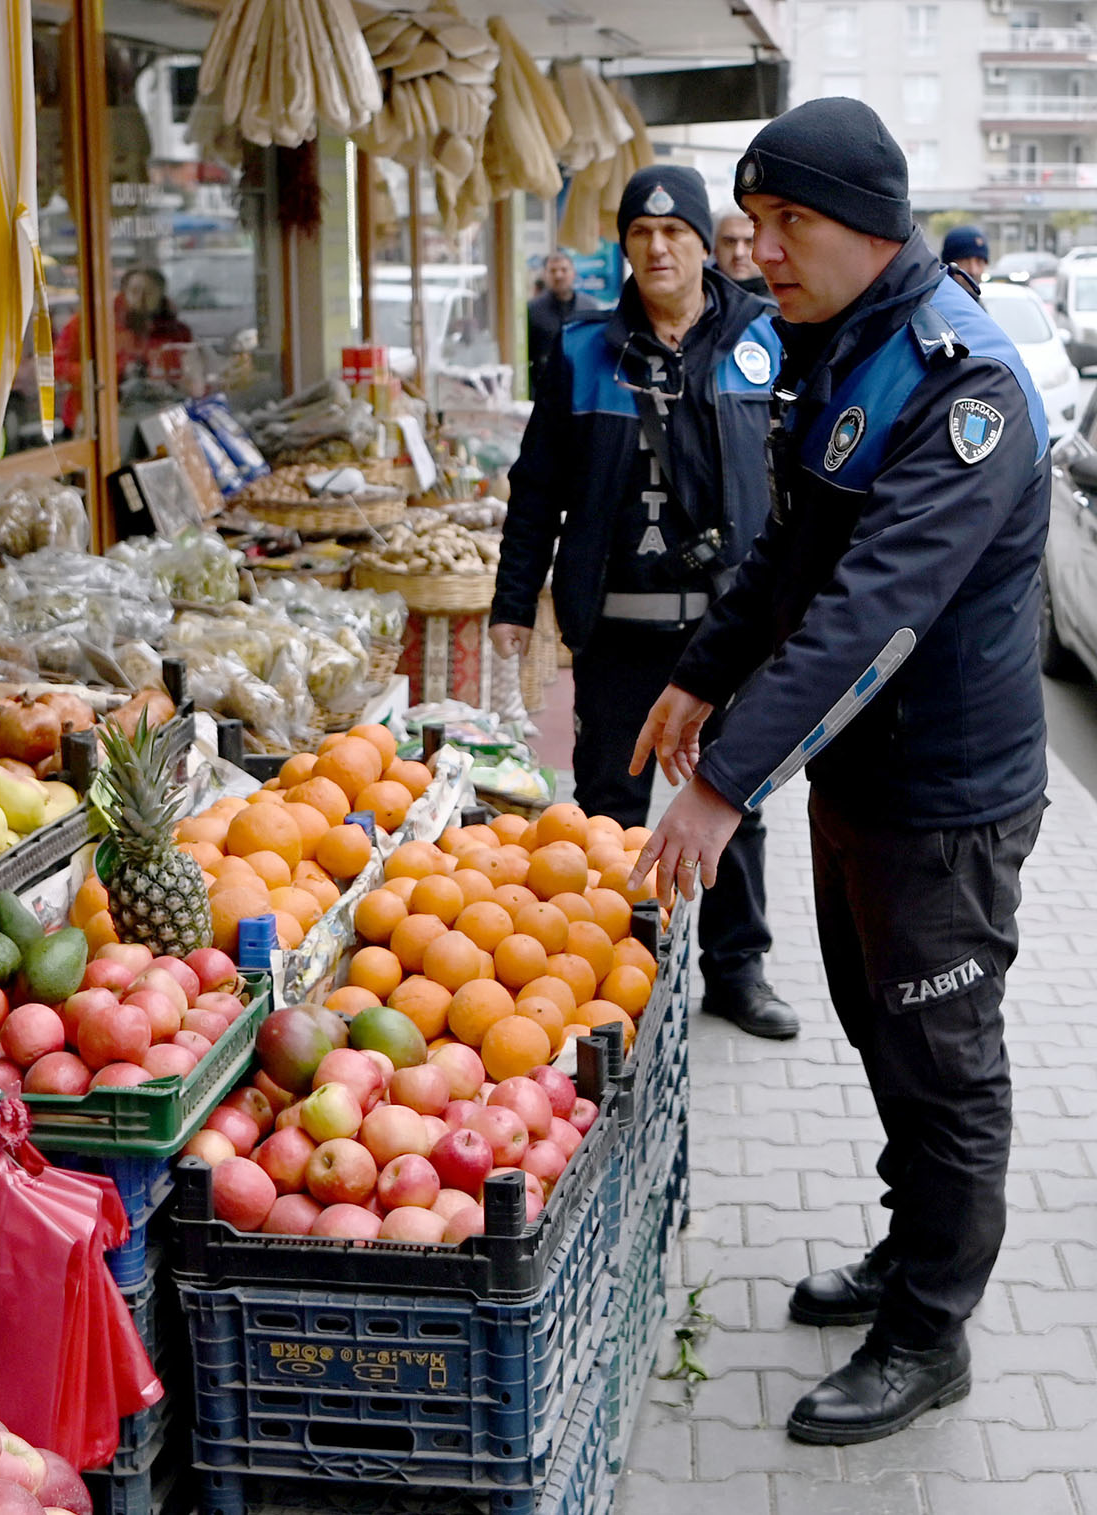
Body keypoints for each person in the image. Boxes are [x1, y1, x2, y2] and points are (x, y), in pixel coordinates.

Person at [629, 99, 1048, 1445]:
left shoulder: (962, 383)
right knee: (880, 1031)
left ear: (869, 224)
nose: (757, 251)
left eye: (782, 223)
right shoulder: (835, 344)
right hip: (863, 786)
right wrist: (701, 670)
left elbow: (871, 610)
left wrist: (724, 781)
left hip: (950, 797)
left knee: (944, 1056)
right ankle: (907, 1244)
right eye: (750, 225)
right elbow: (789, 560)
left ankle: (932, 1328)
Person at [491, 165, 796, 1041]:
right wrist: (515, 599)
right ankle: (607, 970)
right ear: (623, 246)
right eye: (640, 234)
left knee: (734, 799)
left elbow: (800, 484)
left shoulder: (765, 337)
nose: (658, 248)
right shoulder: (583, 350)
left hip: (729, 629)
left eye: (675, 233)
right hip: (619, 632)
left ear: (705, 241)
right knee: (605, 809)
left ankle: (737, 971)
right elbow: (536, 485)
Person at [52, 266, 193, 430]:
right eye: (135, 291)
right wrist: (105, 374)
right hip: (95, 419)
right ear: (124, 291)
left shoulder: (175, 331)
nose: (141, 299)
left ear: (161, 295)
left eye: (150, 292)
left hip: (158, 418)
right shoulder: (91, 322)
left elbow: (186, 374)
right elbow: (57, 365)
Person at [526, 249, 597, 394]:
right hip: (544, 390)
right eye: (553, 271)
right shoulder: (532, 310)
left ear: (573, 273)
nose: (558, 275)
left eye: (564, 270)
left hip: (582, 388)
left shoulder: (589, 308)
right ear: (545, 275)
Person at [714, 206, 772, 298]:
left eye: (750, 242)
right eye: (730, 242)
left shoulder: (790, 303)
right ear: (715, 248)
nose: (739, 253)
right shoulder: (694, 301)